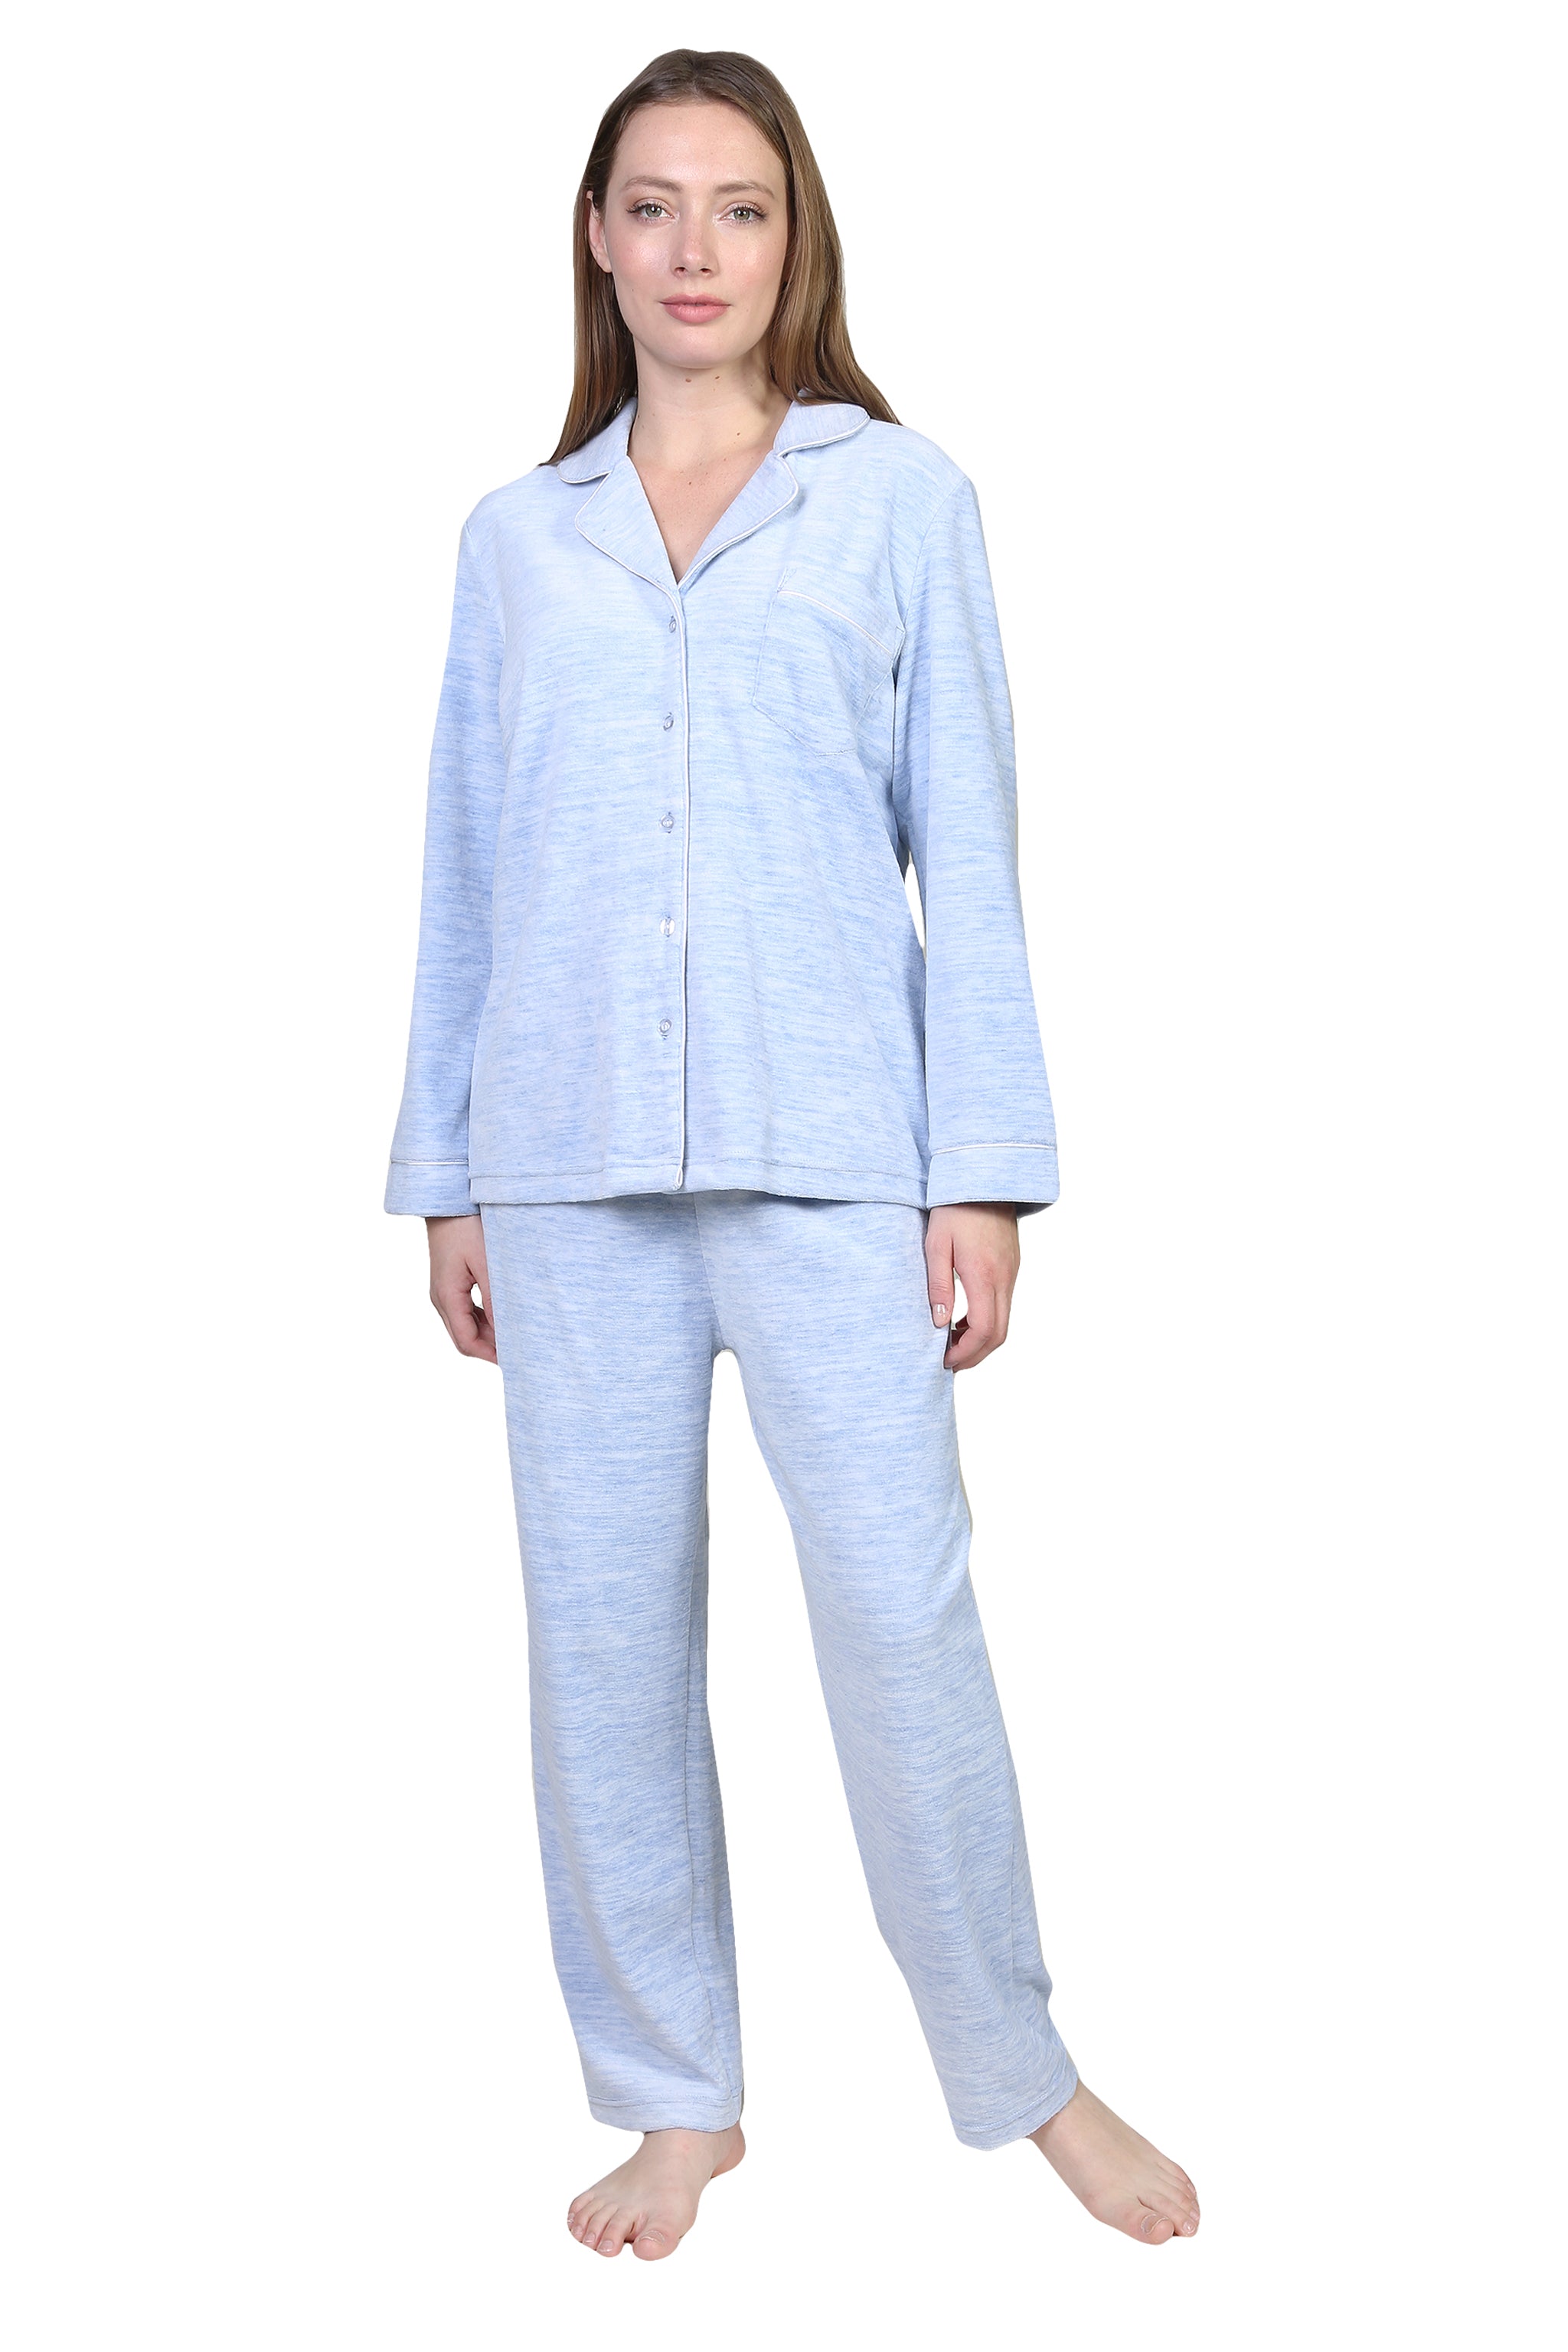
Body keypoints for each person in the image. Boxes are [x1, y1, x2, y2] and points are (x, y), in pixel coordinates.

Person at [385, 47, 1199, 2262]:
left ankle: (1021, 2076)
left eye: (737, 209)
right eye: (652, 207)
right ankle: (675, 2102)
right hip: (561, 1165)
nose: (694, 250)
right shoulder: (516, 539)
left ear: (794, 236)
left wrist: (983, 1170)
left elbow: (975, 856)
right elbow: (469, 864)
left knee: (901, 1625)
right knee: (602, 1648)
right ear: (596, 237)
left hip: (839, 1150)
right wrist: (446, 1172)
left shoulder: (900, 499)